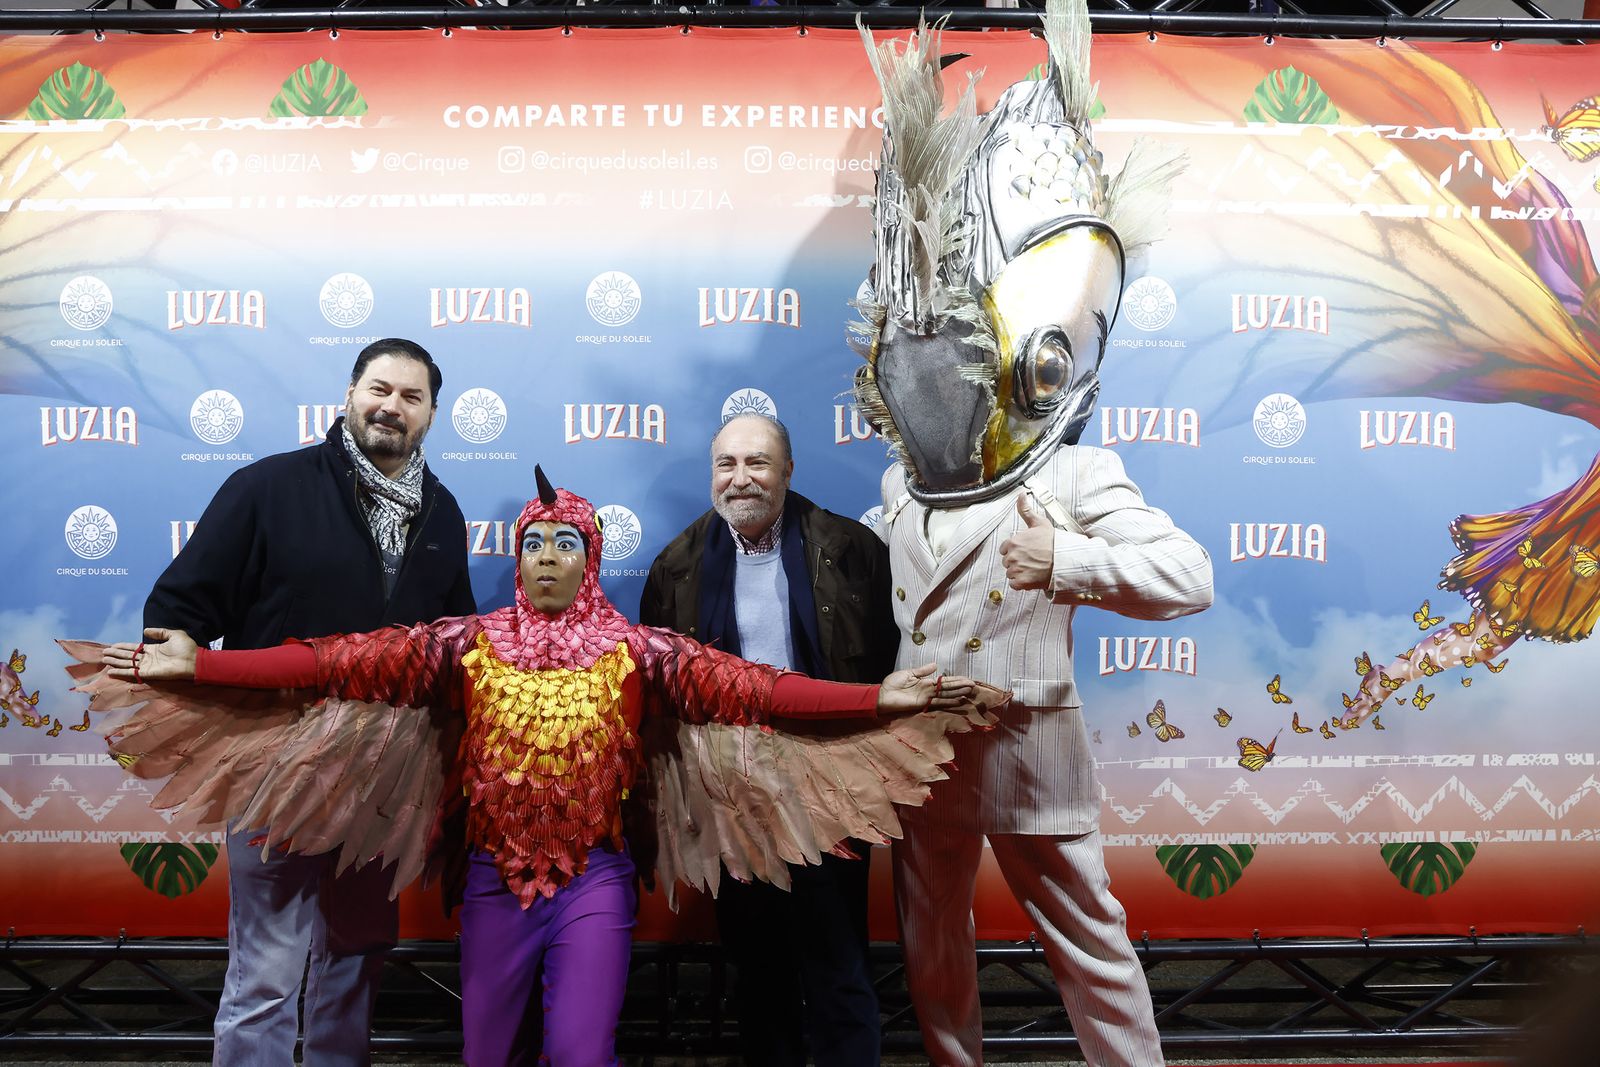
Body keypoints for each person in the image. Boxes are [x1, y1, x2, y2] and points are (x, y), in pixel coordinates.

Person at [81, 469, 988, 1067]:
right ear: (513, 558)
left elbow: (763, 692)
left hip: (594, 883)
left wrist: (881, 700)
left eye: (566, 545)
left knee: (583, 1054)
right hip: (490, 886)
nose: (547, 557)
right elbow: (325, 663)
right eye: (533, 543)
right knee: (486, 1058)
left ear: (590, 559)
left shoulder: (643, 651)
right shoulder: (459, 642)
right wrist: (200, 665)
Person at [850, 0, 1210, 1061]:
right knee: (931, 942)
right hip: (925, 759)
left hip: (1032, 753)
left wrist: (1068, 559)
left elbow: (1183, 575)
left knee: (1088, 941)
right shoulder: (898, 484)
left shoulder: (1077, 467)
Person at [140, 337, 474, 1066]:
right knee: (266, 968)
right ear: (349, 395)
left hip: (387, 777)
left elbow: (455, 649)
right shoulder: (267, 487)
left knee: (357, 954)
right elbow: (175, 612)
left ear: (431, 415)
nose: (392, 406)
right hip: (274, 769)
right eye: (379, 389)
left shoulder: (443, 514)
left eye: (411, 397)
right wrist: (212, 721)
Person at [640, 413, 897, 1066]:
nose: (741, 478)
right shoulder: (676, 566)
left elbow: (886, 668)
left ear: (787, 470)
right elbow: (662, 695)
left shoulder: (851, 548)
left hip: (830, 789)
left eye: (757, 462)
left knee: (838, 969)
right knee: (759, 974)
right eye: (726, 464)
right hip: (733, 797)